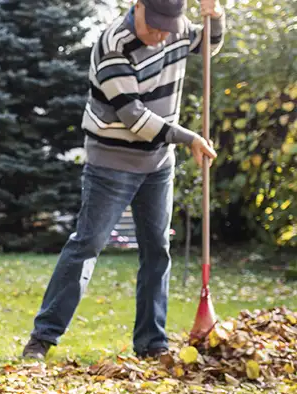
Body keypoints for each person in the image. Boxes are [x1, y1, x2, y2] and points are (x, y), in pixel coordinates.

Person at [23, 0, 225, 360]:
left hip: (157, 163)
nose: (161, 33)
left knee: (157, 250)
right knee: (87, 245)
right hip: (111, 162)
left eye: (169, 25)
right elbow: (133, 115)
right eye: (156, 24)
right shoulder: (113, 42)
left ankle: (152, 344)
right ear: (138, 6)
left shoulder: (174, 30)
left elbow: (208, 46)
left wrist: (216, 15)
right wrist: (189, 138)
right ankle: (42, 339)